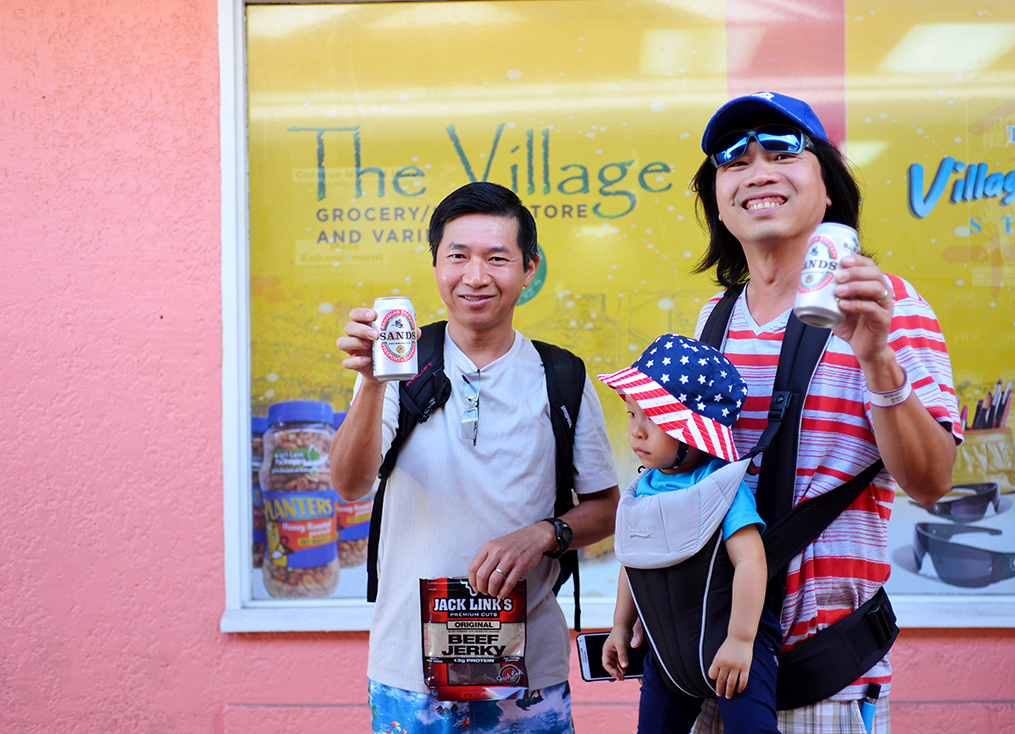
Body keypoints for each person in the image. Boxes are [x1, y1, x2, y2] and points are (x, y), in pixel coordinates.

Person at [688, 92, 963, 733]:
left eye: (784, 150)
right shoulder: (713, 319)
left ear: (828, 186)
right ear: (720, 204)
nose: (757, 171)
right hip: (712, 667)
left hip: (826, 682)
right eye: (733, 161)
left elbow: (932, 483)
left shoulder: (888, 302)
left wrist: (878, 362)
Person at [331, 181, 620, 734]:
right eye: (457, 256)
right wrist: (371, 383)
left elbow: (607, 508)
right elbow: (347, 484)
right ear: (436, 264)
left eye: (497, 258)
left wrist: (542, 534)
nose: (476, 276)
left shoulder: (561, 375)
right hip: (409, 672)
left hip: (527, 677)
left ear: (530, 268)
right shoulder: (399, 363)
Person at [597, 334, 781, 734]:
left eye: (655, 418)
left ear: (694, 431)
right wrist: (620, 626)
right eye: (632, 414)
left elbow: (752, 561)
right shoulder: (641, 490)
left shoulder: (721, 488)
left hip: (730, 654)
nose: (637, 432)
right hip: (665, 659)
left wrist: (741, 639)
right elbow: (634, 560)